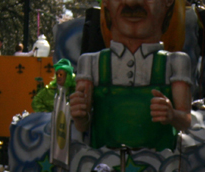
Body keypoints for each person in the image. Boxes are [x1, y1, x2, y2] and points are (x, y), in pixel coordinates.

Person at [70, 0, 191, 151]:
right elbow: (83, 125)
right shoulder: (90, 62)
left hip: (158, 165)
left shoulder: (175, 62)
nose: (132, 3)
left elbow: (186, 121)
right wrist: (79, 115)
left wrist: (172, 115)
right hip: (104, 167)